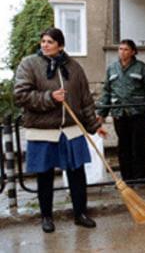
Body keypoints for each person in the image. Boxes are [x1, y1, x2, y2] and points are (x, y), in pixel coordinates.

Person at [15, 28, 106, 233]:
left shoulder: (74, 67)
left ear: (61, 46)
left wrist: (94, 127)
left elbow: (86, 101)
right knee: (45, 176)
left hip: (71, 130)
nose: (44, 45)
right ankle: (46, 217)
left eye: (49, 42)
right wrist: (50, 97)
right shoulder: (29, 64)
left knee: (77, 174)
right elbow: (20, 96)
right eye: (43, 41)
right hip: (43, 131)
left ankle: (80, 214)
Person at [97, 39, 145, 188]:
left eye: (126, 49)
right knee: (123, 147)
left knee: (138, 146)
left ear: (133, 52)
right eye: (120, 49)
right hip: (119, 112)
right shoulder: (112, 68)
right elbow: (107, 90)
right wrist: (102, 113)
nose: (122, 52)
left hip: (138, 112)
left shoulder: (141, 68)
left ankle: (139, 179)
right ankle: (126, 179)